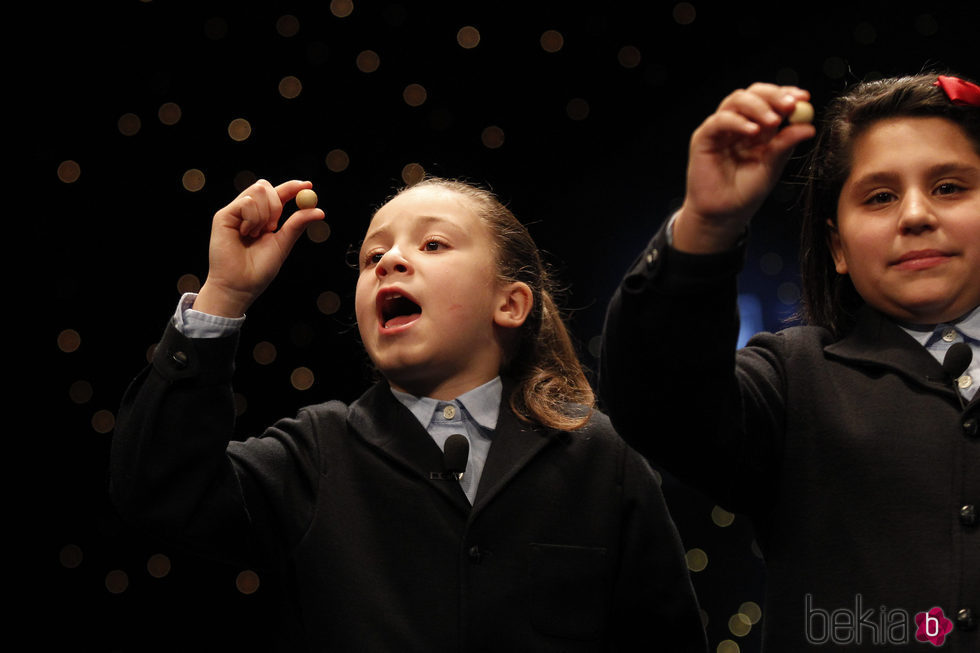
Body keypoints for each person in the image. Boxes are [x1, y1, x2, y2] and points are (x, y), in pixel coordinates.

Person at [110, 175, 708, 652]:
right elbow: (160, 488)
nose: (389, 262)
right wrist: (225, 295)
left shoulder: (601, 456)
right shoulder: (318, 451)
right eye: (373, 256)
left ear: (510, 302)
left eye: (433, 244)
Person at [599, 72, 980, 652]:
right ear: (837, 248)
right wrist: (708, 223)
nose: (915, 215)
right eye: (879, 196)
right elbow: (658, 401)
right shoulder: (791, 379)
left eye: (950, 187)